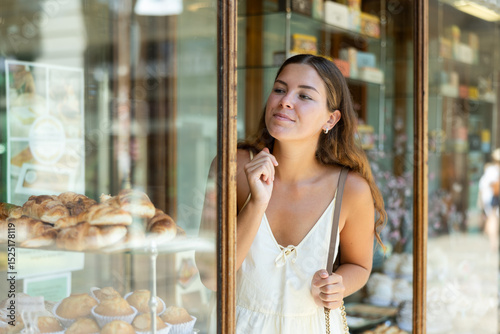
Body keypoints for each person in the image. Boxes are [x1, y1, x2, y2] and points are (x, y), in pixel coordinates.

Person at [232, 54, 386, 333]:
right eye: (279, 89)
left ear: (331, 119)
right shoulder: (234, 168)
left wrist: (338, 285)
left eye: (304, 95)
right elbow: (212, 277)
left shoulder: (350, 189)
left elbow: (359, 266)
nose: (285, 100)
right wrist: (256, 203)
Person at [479, 148, 500, 250]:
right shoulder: (492, 170)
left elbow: (483, 186)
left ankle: (493, 242)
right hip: (493, 198)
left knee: (492, 218)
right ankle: (493, 241)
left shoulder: (491, 170)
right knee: (493, 218)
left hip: (493, 198)